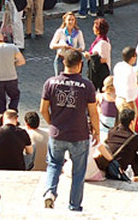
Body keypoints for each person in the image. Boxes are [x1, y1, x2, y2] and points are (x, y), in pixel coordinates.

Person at [39, 48, 99, 211]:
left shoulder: (50, 83)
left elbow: (43, 109)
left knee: (53, 164)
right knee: (78, 172)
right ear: (80, 65)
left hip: (57, 133)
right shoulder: (87, 85)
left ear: (63, 63)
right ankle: (74, 205)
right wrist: (96, 131)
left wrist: (53, 123)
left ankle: (50, 192)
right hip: (79, 134)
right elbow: (93, 112)